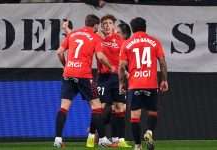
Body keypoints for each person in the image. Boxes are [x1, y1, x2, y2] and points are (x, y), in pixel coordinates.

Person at [54, 14, 115, 148]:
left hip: (68, 74)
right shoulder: (95, 37)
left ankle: (58, 139)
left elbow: (59, 52)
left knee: (64, 107)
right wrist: (111, 67)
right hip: (84, 76)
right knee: (97, 107)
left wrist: (66, 65)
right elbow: (100, 56)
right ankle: (103, 140)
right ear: (95, 26)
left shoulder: (73, 34)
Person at [119, 17, 168, 150]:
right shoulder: (154, 41)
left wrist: (122, 83)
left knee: (135, 117)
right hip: (151, 84)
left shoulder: (127, 43)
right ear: (145, 27)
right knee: (153, 112)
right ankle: (149, 132)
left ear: (132, 28)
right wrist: (164, 79)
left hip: (134, 84)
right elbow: (162, 62)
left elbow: (122, 67)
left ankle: (137, 145)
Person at [86, 14, 131, 148]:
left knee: (120, 108)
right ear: (101, 26)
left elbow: (126, 58)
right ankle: (92, 135)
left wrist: (127, 73)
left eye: (109, 23)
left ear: (113, 25)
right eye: (104, 23)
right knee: (101, 108)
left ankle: (120, 140)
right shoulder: (97, 39)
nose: (106, 25)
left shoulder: (120, 40)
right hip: (103, 78)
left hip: (118, 78)